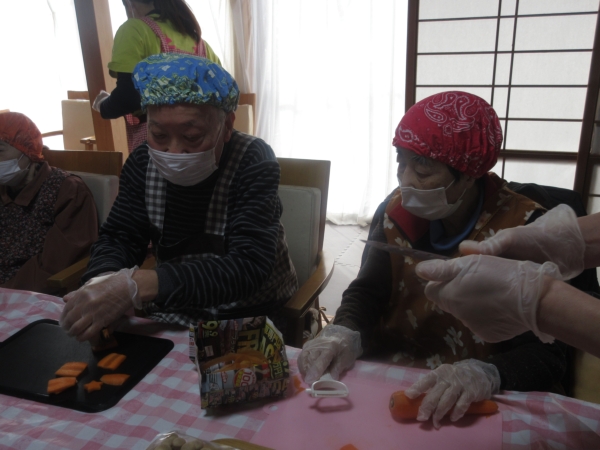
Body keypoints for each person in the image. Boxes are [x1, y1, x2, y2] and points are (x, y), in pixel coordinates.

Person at [298, 91, 569, 429]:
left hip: (474, 396)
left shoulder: (524, 229)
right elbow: (367, 292)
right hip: (393, 376)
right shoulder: (395, 212)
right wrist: (343, 331)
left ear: (469, 173)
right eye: (401, 161)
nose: (406, 180)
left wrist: (488, 374)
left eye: (423, 168)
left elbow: (549, 353)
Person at [60, 54, 297, 344]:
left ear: (227, 126)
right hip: (175, 310)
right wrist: (103, 280)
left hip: (249, 312)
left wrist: (140, 285)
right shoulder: (142, 164)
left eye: (192, 136)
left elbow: (248, 266)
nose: (174, 151)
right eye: (159, 135)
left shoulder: (252, 160)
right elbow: (120, 236)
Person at [415, 203, 600, 359]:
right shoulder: (403, 219)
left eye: (424, 174)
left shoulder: (520, 212)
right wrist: (565, 240)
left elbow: (546, 356)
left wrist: (540, 300)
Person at [92, 0, 222, 152]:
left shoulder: (134, 30)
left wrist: (103, 106)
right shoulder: (203, 47)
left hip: (156, 146)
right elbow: (220, 101)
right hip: (199, 147)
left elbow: (128, 97)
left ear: (130, 3)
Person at [0, 112, 98, 294]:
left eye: (0, 150)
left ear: (26, 149)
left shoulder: (67, 190)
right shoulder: (4, 188)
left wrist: (6, 292)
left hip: (32, 291)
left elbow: (56, 266)